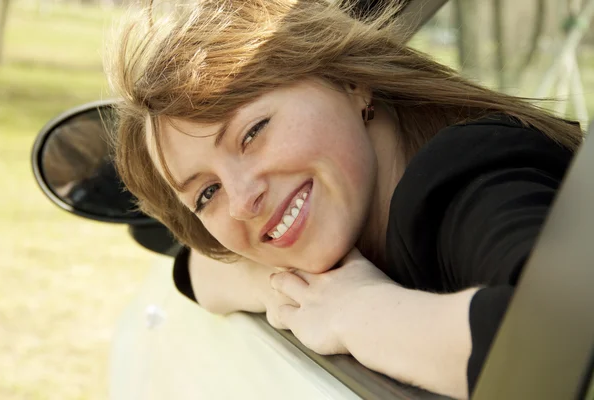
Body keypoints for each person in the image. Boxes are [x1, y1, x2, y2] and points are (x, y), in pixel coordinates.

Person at [106, 0, 584, 398]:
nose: (242, 201)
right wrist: (289, 283)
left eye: (253, 133)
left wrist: (361, 314)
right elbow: (196, 272)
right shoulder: (358, 207)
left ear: (351, 83)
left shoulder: (463, 175)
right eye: (207, 192)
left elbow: (563, 340)